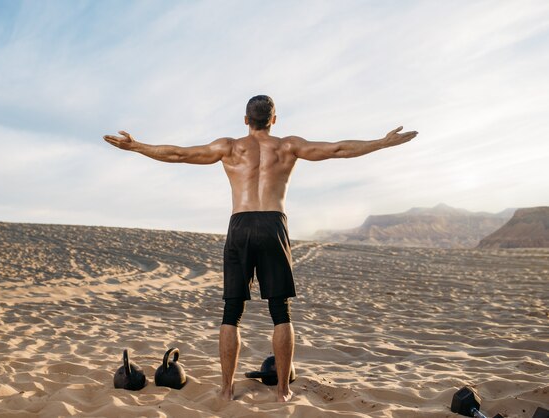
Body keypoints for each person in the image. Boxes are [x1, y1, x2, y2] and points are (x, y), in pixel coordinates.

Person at [103, 95, 418, 402]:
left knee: (232, 312)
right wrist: (381, 142)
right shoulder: (287, 146)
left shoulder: (229, 147)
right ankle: (283, 390)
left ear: (245, 120)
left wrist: (137, 146)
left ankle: (226, 390)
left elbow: (179, 154)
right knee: (280, 311)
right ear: (274, 120)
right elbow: (337, 149)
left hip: (240, 225)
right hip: (273, 225)